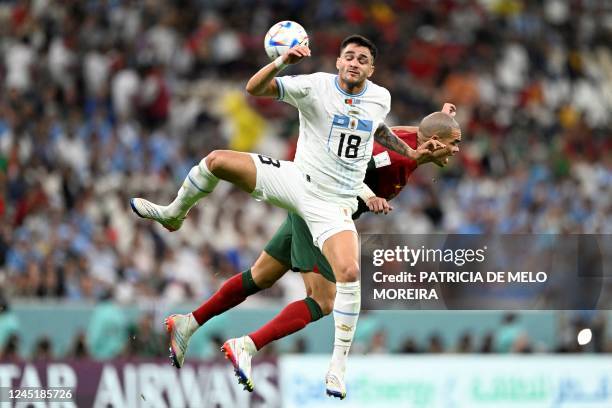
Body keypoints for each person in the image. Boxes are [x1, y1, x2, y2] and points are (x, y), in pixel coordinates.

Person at [130, 35, 446, 398]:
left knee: (330, 273)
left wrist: (412, 150)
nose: (354, 63)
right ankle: (174, 214)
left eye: (362, 59)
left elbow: (377, 130)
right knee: (217, 160)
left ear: (371, 69)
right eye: (349, 57)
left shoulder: (380, 98)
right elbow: (255, 88)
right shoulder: (314, 85)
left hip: (331, 203)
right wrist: (282, 63)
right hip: (297, 179)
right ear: (338, 62)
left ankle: (331, 367)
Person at [161, 107, 461, 399]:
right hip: (322, 213)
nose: (457, 150)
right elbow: (345, 167)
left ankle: (188, 322)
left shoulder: (412, 141)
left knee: (260, 276)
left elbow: (409, 131)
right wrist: (369, 196)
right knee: (324, 300)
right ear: (434, 141)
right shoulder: (396, 160)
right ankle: (249, 345)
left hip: (309, 204)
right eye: (454, 142)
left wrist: (444, 116)